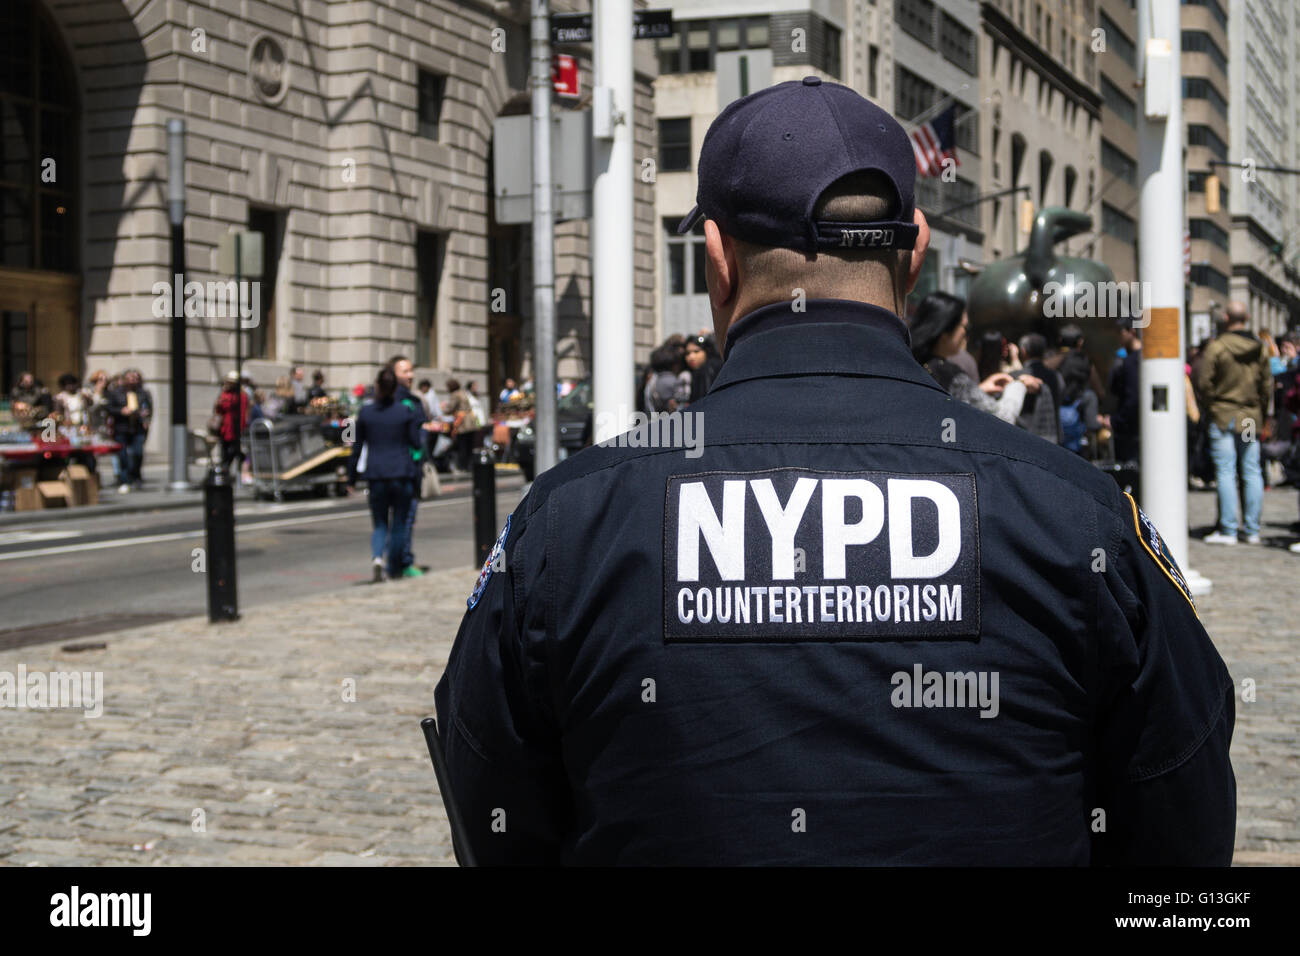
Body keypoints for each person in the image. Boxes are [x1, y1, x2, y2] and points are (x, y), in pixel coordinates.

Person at [434, 78, 1235, 866]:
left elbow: (494, 804)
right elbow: (1182, 817)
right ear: (914, 251)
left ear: (717, 259)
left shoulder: (572, 519)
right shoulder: (1074, 512)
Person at [1196, 301, 1272, 545]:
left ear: (1226, 317)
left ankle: (1228, 529)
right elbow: (1266, 385)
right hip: (1249, 417)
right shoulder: (1260, 349)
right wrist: (1262, 410)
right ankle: (1252, 529)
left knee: (1226, 471)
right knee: (1251, 470)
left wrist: (1211, 404)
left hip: (1223, 415)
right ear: (1247, 317)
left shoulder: (1217, 347)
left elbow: (1204, 382)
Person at [909, 292, 1038, 425]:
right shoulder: (950, 374)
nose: (965, 333)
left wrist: (979, 389)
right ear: (945, 331)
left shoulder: (910, 361)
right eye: (964, 327)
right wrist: (1019, 385)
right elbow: (1003, 417)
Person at [347, 366, 424, 581]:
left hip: (377, 474)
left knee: (380, 523)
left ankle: (377, 556)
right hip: (401, 471)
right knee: (399, 523)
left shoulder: (366, 412)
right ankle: (394, 567)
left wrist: (350, 478)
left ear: (378, 386)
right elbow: (415, 442)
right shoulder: (404, 411)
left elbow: (356, 447)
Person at [387, 355, 430, 576]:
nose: (410, 375)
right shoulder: (405, 402)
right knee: (405, 516)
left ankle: (395, 561)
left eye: (411, 370)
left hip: (395, 467)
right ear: (393, 374)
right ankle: (401, 562)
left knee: (397, 518)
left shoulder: (399, 400)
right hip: (405, 467)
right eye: (405, 371)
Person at [105, 369, 153, 493]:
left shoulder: (143, 393)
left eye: (136, 378)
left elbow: (149, 408)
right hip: (122, 428)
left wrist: (146, 417)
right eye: (131, 378)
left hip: (137, 428)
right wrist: (121, 411)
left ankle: (136, 475)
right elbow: (109, 408)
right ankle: (125, 479)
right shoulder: (116, 393)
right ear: (125, 379)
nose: (133, 380)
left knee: (138, 453)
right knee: (123, 455)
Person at [1016, 333, 1063, 444]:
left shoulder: (1017, 377)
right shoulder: (1056, 376)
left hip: (1024, 438)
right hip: (1053, 437)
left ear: (1023, 351)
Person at [1108, 318, 1142, 462]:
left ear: (1132, 332)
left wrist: (1116, 420)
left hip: (1130, 430)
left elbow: (1133, 398)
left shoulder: (1131, 361)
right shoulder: (1131, 359)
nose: (1118, 337)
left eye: (1121, 332)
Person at [214, 371, 249, 480]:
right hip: (225, 428)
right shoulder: (224, 394)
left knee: (234, 451)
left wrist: (242, 428)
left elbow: (242, 412)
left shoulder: (241, 396)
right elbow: (219, 410)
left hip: (235, 428)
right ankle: (226, 471)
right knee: (225, 451)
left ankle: (227, 469)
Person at [682, 335, 723, 404]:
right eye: (687, 353)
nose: (691, 357)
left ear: (706, 351)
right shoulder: (696, 371)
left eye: (696, 351)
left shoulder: (708, 370)